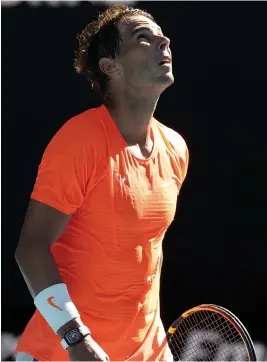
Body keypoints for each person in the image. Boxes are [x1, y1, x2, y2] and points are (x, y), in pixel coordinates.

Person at [15, 4, 189, 362]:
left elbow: (145, 254)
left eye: (161, 35)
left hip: (147, 353)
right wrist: (76, 338)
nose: (164, 41)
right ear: (111, 66)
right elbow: (31, 247)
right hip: (64, 352)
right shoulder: (79, 140)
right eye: (144, 37)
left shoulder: (176, 148)